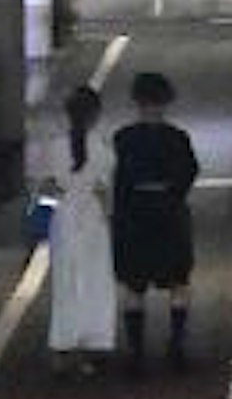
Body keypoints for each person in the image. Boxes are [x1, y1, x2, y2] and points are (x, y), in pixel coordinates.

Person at [108, 61, 201, 373]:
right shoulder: (177, 138)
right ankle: (176, 344)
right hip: (169, 216)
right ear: (165, 102)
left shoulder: (123, 139)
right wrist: (172, 194)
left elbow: (117, 181)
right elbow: (189, 173)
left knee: (134, 286)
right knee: (178, 283)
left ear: (137, 102)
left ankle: (136, 352)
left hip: (135, 218)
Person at [45, 78, 118, 368]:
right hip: (92, 218)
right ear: (96, 115)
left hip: (63, 217)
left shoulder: (55, 147)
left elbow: (49, 187)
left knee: (65, 283)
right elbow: (104, 189)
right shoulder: (102, 149)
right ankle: (94, 343)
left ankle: (62, 345)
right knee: (96, 280)